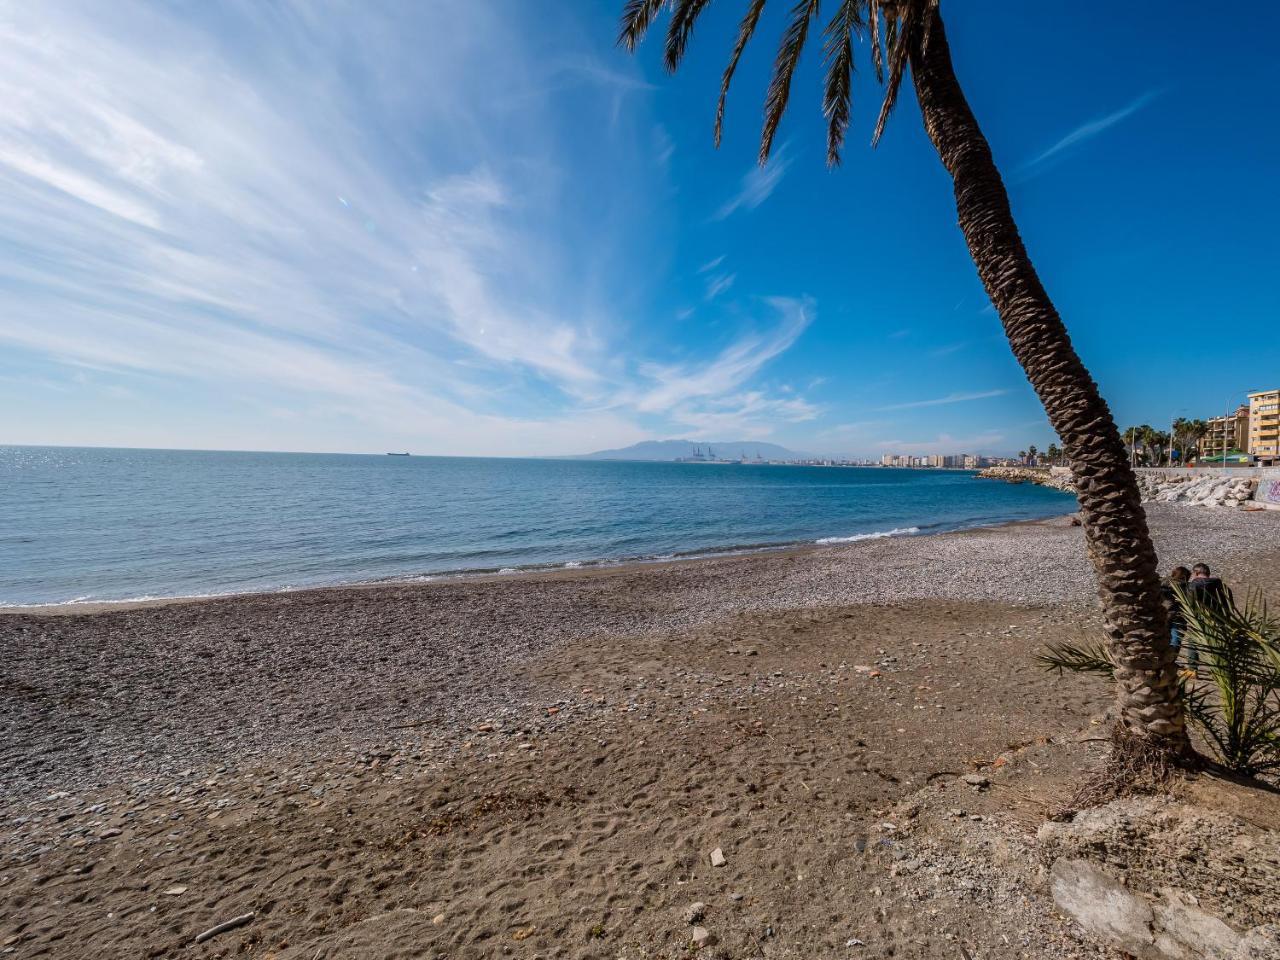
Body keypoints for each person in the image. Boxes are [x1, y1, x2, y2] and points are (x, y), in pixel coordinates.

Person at [1182, 563, 1235, 672]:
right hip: (1220, 619)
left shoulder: (1193, 586)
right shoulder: (1223, 586)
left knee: (1193, 642)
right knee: (1220, 644)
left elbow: (1190, 604)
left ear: (1196, 573)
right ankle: (1224, 669)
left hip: (1199, 619)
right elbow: (1229, 605)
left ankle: (1192, 669)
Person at [1161, 565, 1191, 656]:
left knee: (1162, 637)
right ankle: (1171, 658)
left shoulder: (1163, 583)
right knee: (1176, 638)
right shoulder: (1187, 586)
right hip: (1179, 616)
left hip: (1163, 614)